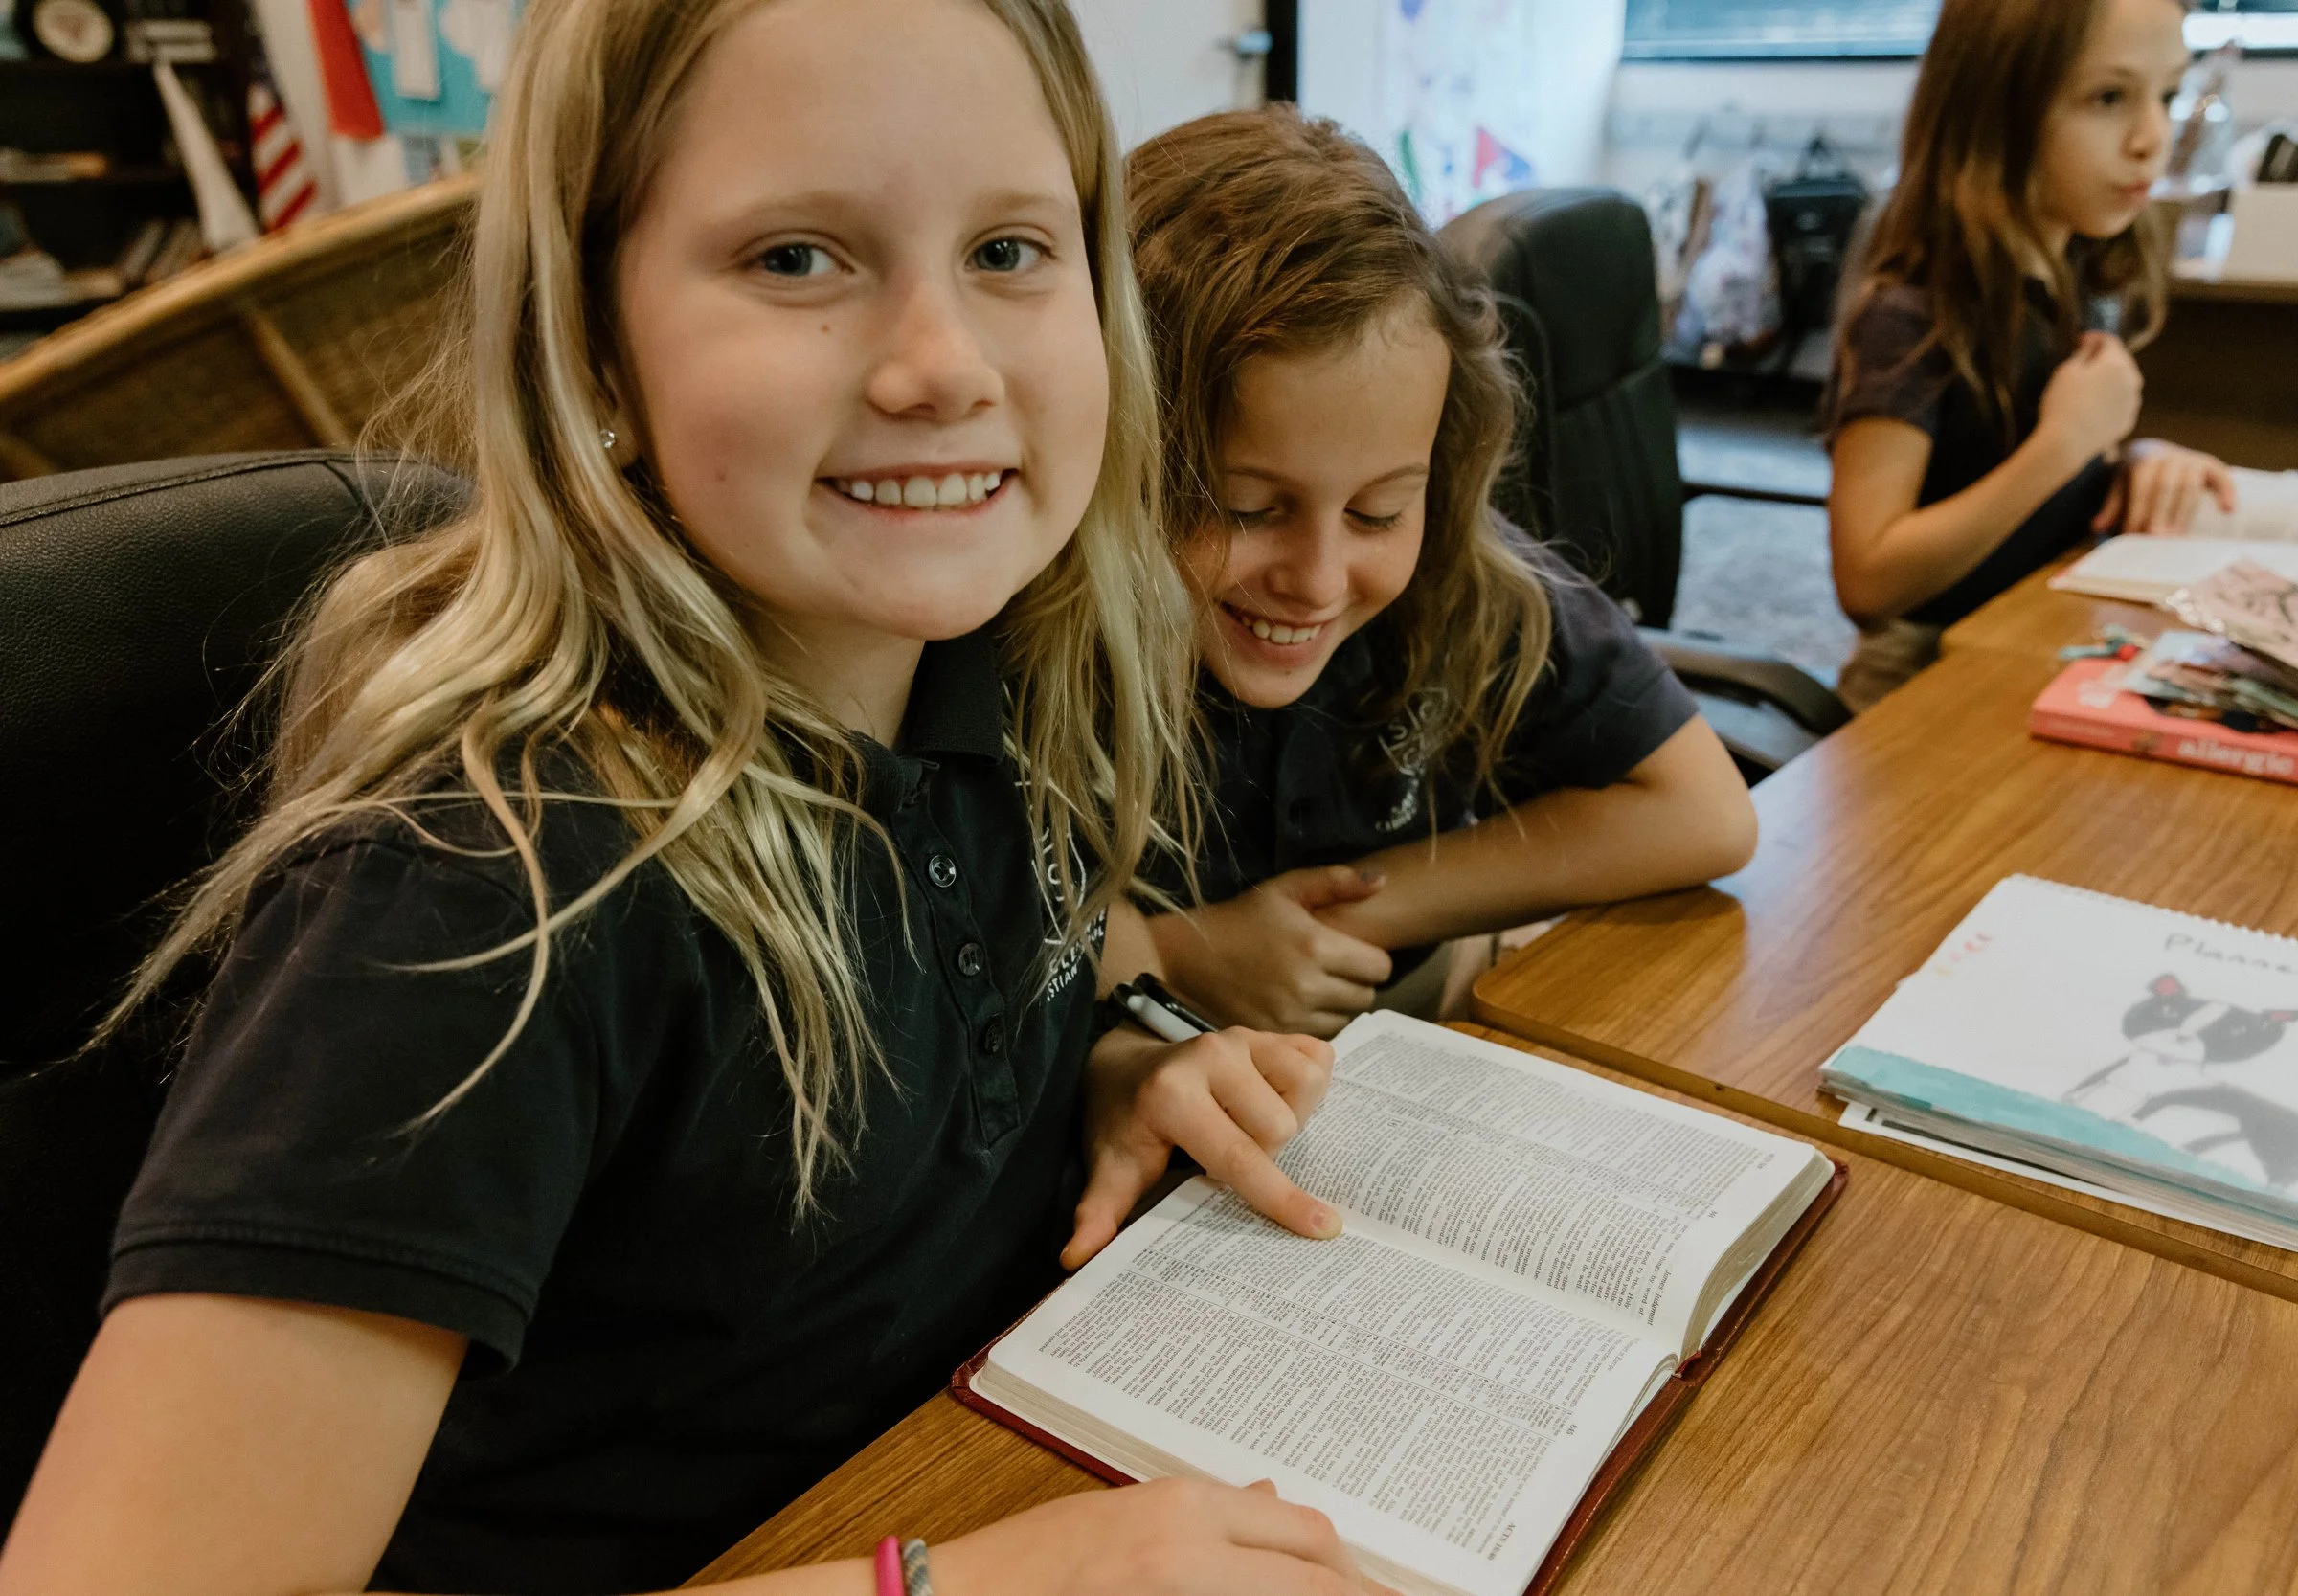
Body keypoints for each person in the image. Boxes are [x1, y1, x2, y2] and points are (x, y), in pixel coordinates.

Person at [0, 3, 1380, 1594]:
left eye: (1009, 250)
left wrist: (1122, 1061)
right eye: (797, 258)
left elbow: (1025, 962)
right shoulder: (481, 887)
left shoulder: (984, 649)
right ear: (592, 338)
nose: (944, 364)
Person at [1114, 108, 1757, 1041]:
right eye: (1246, 508)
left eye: (1378, 512)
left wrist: (1355, 912)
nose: (1319, 581)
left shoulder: (1464, 568)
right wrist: (1169, 954)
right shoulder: (1020, 626)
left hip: (1404, 1019)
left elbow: (1707, 813)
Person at [1825, 0, 2237, 711]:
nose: (2152, 138)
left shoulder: (2075, 274)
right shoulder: (1910, 317)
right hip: (1922, 683)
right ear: (1993, 111)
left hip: (2035, 634)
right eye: (2108, 98)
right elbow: (1868, 580)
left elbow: (2018, 467)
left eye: (2167, 95)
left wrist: (2129, 462)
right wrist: (2064, 445)